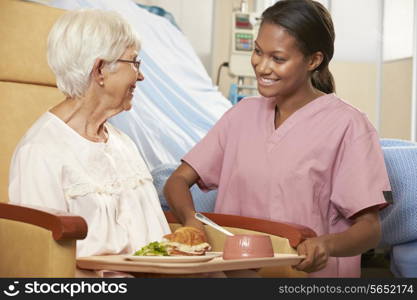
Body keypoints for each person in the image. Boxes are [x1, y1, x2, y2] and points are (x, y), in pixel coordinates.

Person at [164, 0, 391, 277]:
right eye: (258, 52)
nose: (262, 66)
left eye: (278, 58)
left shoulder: (349, 125)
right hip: (233, 275)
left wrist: (326, 245)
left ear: (313, 60)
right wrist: (192, 220)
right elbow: (177, 181)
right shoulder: (241, 115)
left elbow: (370, 230)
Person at [8, 9, 172, 263]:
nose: (140, 75)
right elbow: (44, 263)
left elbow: (158, 241)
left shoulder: (123, 144)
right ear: (99, 70)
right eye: (134, 62)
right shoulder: (40, 151)